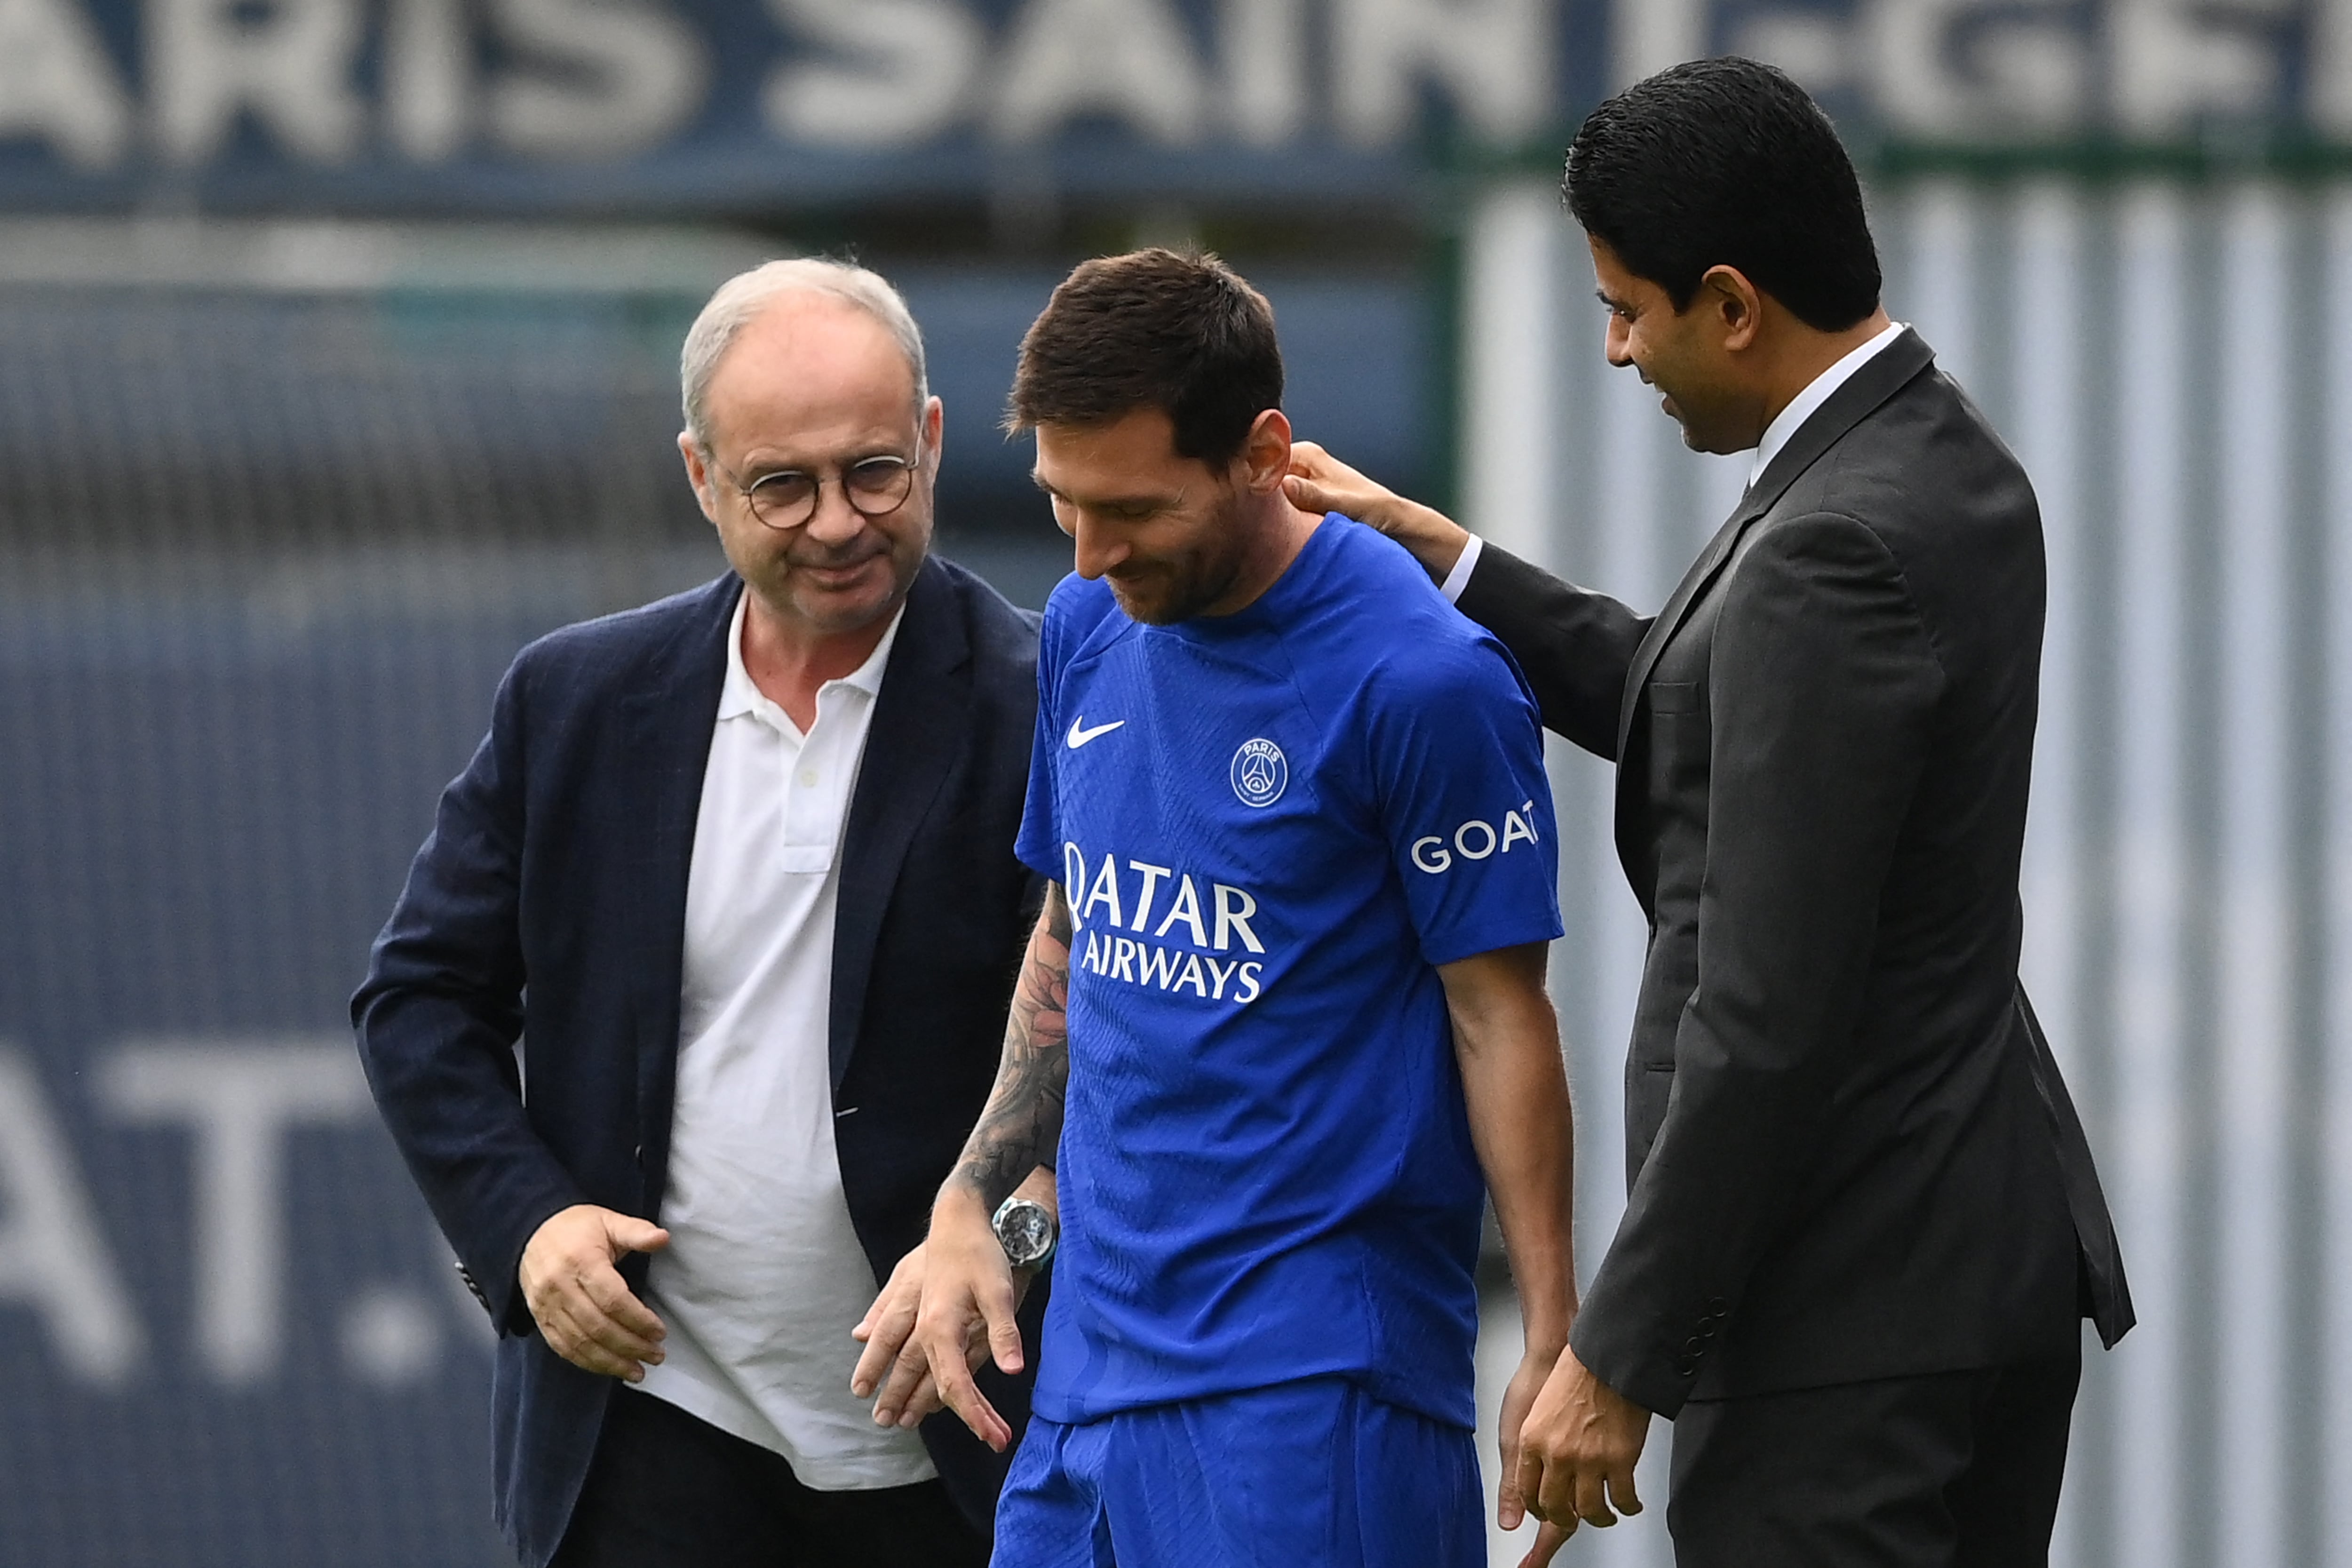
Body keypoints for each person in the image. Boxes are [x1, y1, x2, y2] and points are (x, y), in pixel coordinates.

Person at [1287, 57, 2134, 1568]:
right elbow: (1718, 719)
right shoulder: (1937, 458)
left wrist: (1621, 1352)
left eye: (1627, 308)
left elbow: (1767, 1007)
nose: (1617, 351)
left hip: (1849, 1310)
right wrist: (1447, 557)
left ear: (1733, 304)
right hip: (1962, 1266)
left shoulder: (1832, 544)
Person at [850, 248, 1579, 1567]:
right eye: (1062, 503)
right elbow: (1080, 939)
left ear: (1261, 451)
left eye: (1132, 507)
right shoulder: (1086, 625)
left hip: (1314, 1398)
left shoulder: (1425, 682)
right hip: (1083, 1388)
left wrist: (1554, 1338)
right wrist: (975, 1208)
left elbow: (1499, 1020)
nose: (1089, 549)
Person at [351, 258, 1049, 1568]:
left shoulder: (1048, 705)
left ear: (936, 441)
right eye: (783, 484)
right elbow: (418, 1002)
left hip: (967, 1456)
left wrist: (1007, 1240)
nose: (839, 521)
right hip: (647, 1434)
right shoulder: (575, 701)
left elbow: (1110, 1055)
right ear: (700, 478)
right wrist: (530, 1226)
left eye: (877, 472)